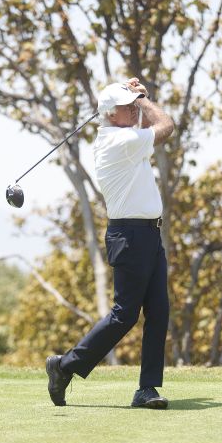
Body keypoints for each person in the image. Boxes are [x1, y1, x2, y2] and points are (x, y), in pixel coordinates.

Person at [46, 77, 175, 409]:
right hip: (130, 237)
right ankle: (64, 366)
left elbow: (149, 129)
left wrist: (134, 99)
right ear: (110, 114)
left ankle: (147, 389)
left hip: (149, 235)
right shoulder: (119, 142)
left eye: (133, 106)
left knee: (159, 310)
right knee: (124, 315)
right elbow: (167, 126)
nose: (134, 110)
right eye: (127, 107)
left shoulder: (124, 136)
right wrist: (144, 98)